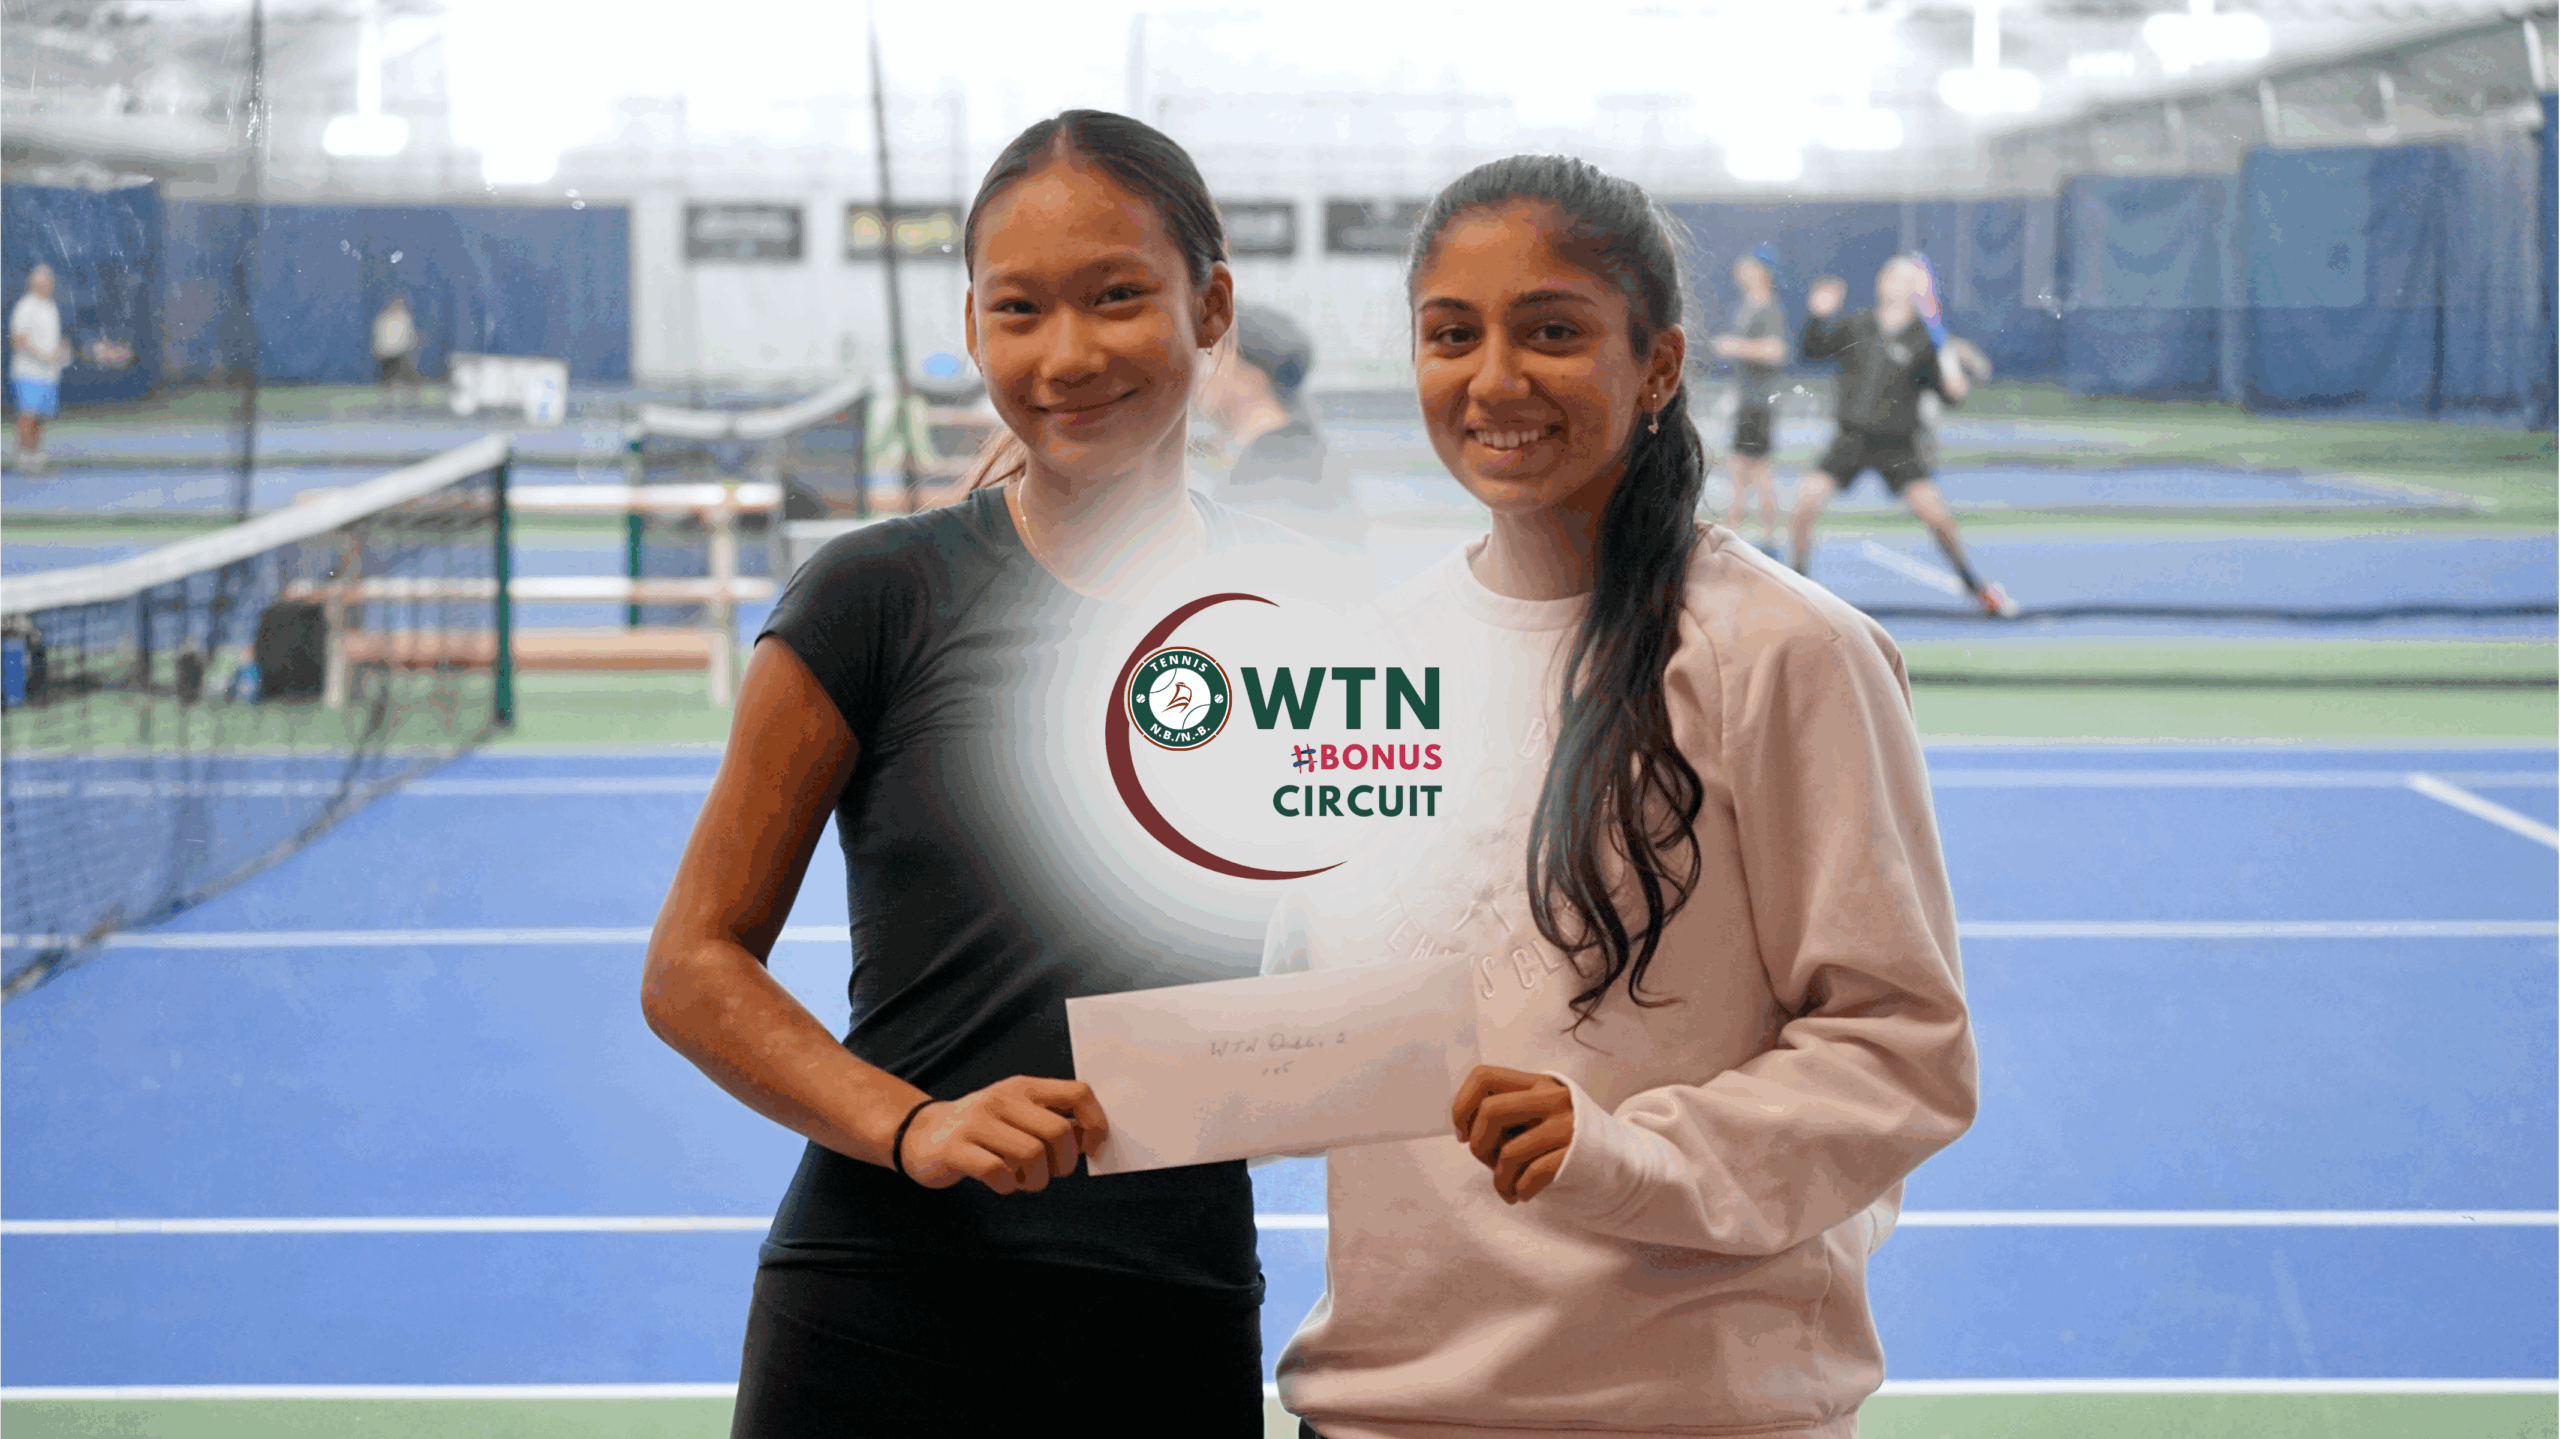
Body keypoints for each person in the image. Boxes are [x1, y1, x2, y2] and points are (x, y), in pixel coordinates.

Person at [1266, 155, 1979, 1439]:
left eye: (1550, 331)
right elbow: (1327, 1024)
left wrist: (1616, 1153)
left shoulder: (1787, 654)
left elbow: (1899, 1051)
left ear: (1657, 366)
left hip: (1690, 1407)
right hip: (1382, 1403)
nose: (1493, 379)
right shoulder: (1368, 661)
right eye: (1451, 334)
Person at [643, 110, 1311, 1437]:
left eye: (1116, 296)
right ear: (973, 327)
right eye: (1020, 308)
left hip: (1168, 1308)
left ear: (1211, 306)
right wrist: (915, 1126)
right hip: (880, 1306)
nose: (1067, 354)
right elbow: (692, 963)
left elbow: (1373, 942)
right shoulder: (872, 595)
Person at [1792, 255, 2016, 617]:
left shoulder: (1924, 341)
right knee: (1805, 502)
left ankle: (1977, 587)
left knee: (1937, 517)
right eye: (1891, 275)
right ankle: (1796, 586)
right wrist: (1818, 315)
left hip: (1898, 444)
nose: (1895, 282)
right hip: (1851, 438)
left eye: (1905, 278)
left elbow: (1946, 394)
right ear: (1881, 283)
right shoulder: (1856, 326)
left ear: (1916, 290)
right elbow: (1811, 350)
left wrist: (1955, 388)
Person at [1198, 302, 1372, 587]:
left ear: (1251, 376)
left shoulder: (1284, 472)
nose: (1200, 371)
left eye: (1211, 357)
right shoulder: (1295, 454)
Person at [1708, 245, 1785, 553]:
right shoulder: (1747, 305)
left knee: (1754, 469)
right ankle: (1741, 533)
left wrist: (1734, 346)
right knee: (1741, 469)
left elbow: (1775, 351)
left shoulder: (1768, 307)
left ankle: (1764, 538)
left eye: (1748, 268)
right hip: (1747, 399)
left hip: (1759, 402)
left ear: (1762, 273)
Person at [11, 265, 70, 473]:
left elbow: (54, 338)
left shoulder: (51, 306)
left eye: (47, 281)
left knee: (42, 417)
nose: (44, 285)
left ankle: (35, 454)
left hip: (49, 374)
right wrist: (42, 355)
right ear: (33, 282)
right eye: (40, 281)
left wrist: (60, 352)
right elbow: (18, 339)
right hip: (27, 372)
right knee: (28, 415)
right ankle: (22, 455)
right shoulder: (25, 306)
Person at [372, 295, 420, 411]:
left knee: (408, 377)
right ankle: (388, 401)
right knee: (388, 379)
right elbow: (380, 337)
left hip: (400, 353)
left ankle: (411, 399)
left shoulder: (403, 318)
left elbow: (409, 335)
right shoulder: (384, 319)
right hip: (386, 354)